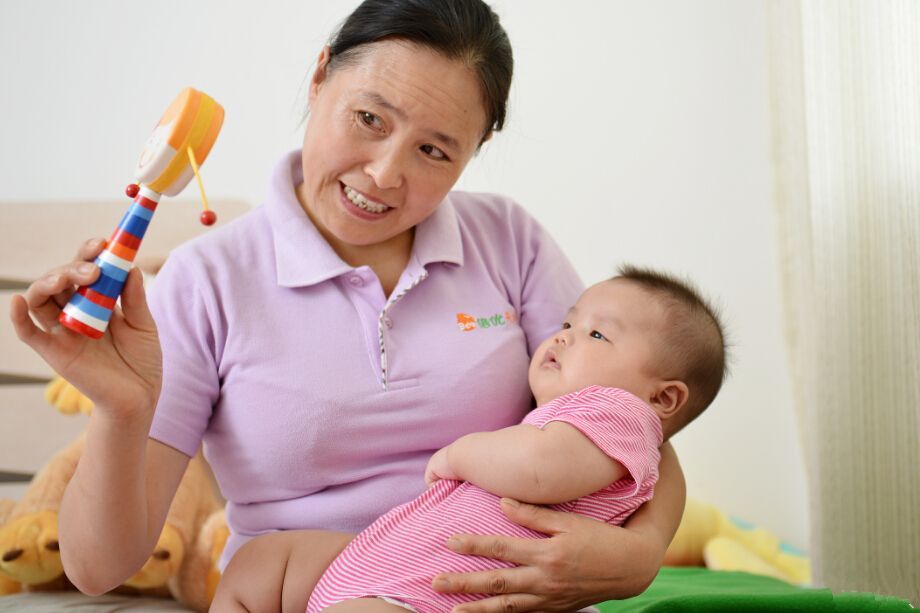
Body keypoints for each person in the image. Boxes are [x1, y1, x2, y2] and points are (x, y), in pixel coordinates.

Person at [10, 1, 688, 611]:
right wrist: (121, 409)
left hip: (488, 587)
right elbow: (98, 569)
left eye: (433, 151)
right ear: (319, 77)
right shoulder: (206, 280)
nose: (385, 173)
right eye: (369, 119)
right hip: (304, 588)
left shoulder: (509, 241)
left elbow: (629, 423)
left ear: (474, 153)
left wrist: (639, 554)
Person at [212, 266, 727, 613]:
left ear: (663, 398)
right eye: (568, 322)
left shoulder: (621, 415)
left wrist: (460, 454)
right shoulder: (577, 415)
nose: (563, 335)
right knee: (262, 561)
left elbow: (539, 471)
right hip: (397, 563)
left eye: (597, 334)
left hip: (448, 595)